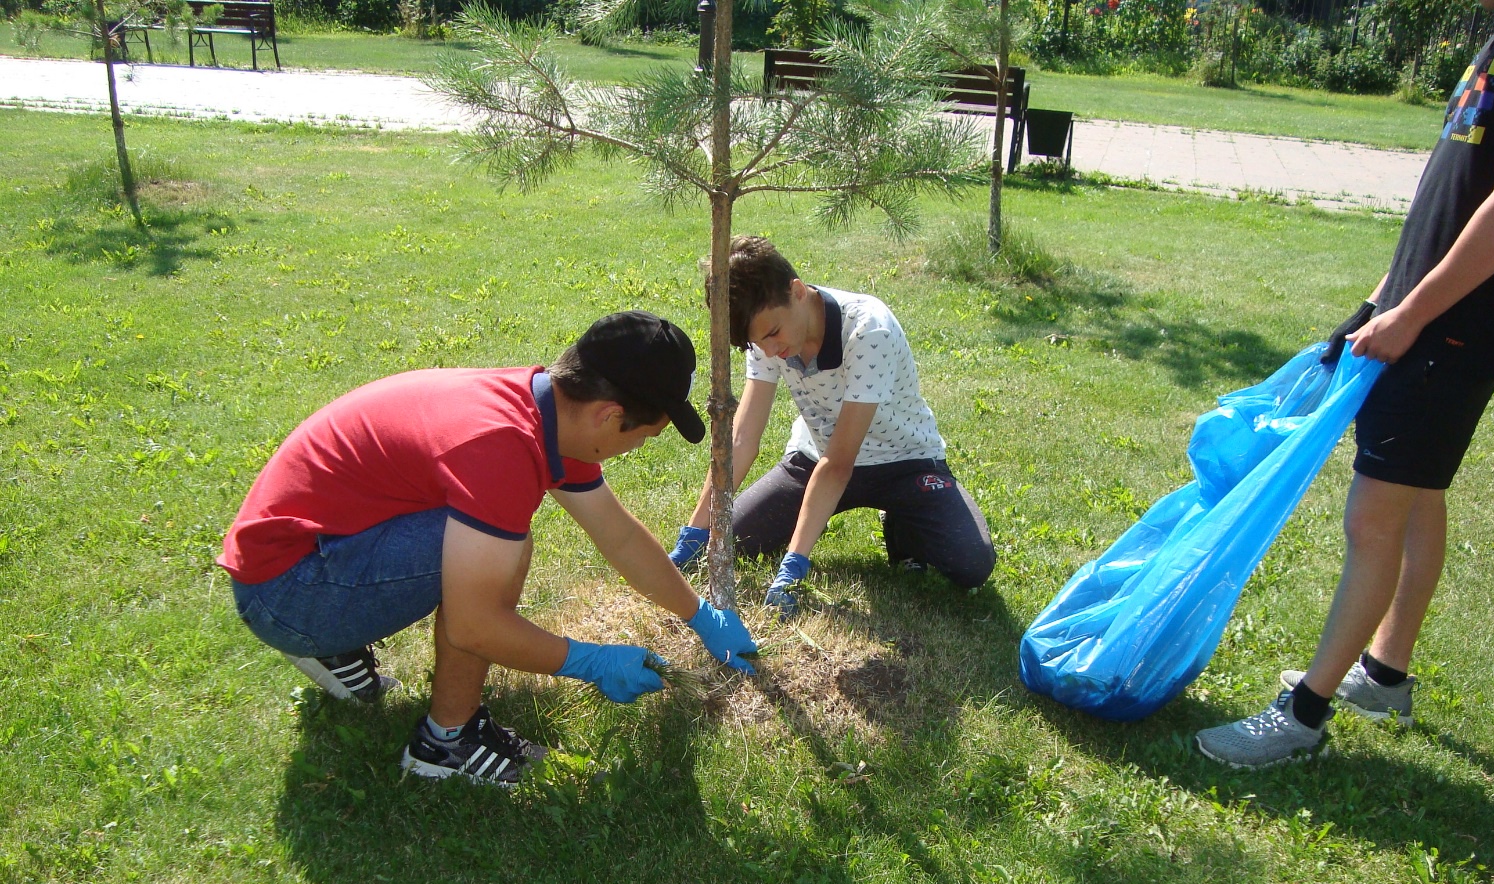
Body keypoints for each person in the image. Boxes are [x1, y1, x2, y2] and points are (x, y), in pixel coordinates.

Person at [219, 311, 757, 788]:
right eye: (645, 434)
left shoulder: (541, 406)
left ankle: (336, 639)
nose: (637, 447)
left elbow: (616, 535)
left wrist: (700, 615)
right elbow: (474, 625)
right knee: (504, 549)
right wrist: (589, 661)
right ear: (607, 415)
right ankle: (445, 745)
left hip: (305, 553)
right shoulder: (500, 448)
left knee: (489, 542)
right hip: (287, 590)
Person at [1196, 5, 1494, 769]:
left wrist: (1413, 314)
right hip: (1426, 311)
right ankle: (1384, 674)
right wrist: (1380, 301)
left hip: (1457, 327)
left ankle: (1302, 716)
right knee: (1416, 494)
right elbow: (1447, 200)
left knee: (1373, 516)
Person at [667, 236, 996, 614]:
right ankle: (815, 513)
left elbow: (840, 463)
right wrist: (698, 531)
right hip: (814, 460)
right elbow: (742, 440)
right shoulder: (766, 337)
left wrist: (793, 566)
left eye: (772, 333)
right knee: (731, 541)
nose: (770, 350)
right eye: (757, 342)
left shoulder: (870, 330)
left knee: (972, 563)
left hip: (904, 463)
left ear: (797, 291)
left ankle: (901, 519)